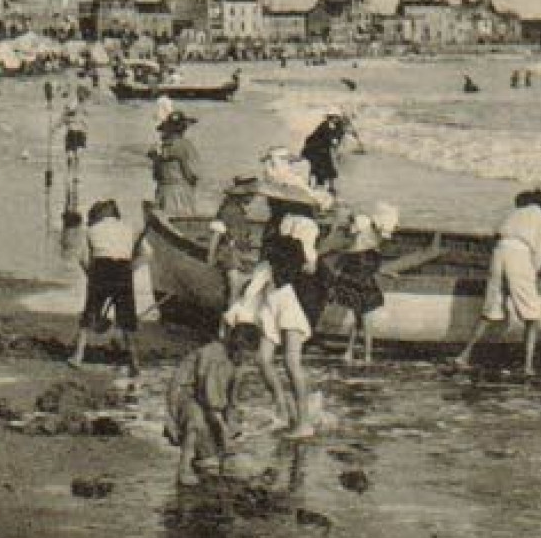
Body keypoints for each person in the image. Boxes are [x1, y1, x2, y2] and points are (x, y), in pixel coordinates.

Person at [454, 188, 541, 377]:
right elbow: (540, 254)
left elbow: (495, 236)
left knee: (490, 311)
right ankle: (527, 366)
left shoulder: (514, 213)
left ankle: (463, 356)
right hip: (519, 256)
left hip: (499, 253)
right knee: (532, 317)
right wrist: (533, 273)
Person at [224, 233, 317, 438]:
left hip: (287, 314)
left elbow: (248, 291)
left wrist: (232, 313)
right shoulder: (276, 271)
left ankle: (304, 423)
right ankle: (284, 409)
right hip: (272, 313)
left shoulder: (269, 272)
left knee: (291, 364)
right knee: (263, 359)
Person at [166, 323, 263, 486]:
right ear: (238, 347)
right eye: (246, 354)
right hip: (186, 396)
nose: (249, 360)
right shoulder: (213, 356)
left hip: (206, 401)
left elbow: (231, 401)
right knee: (195, 421)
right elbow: (209, 399)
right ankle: (183, 468)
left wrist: (233, 426)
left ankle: (205, 454)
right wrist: (223, 431)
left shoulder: (235, 362)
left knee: (209, 460)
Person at [67, 199, 148, 376]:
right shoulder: (129, 228)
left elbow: (83, 258)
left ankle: (78, 355)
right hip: (123, 269)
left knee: (90, 312)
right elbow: (147, 254)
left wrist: (91, 276)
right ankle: (134, 361)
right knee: (127, 318)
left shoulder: (91, 230)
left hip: (101, 267)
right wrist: (130, 269)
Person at [323, 203, 399, 364]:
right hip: (358, 278)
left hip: (359, 277)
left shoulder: (370, 237)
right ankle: (366, 356)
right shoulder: (364, 228)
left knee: (360, 318)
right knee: (364, 320)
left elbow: (372, 265)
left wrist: (386, 273)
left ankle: (351, 352)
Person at [148, 113, 201, 216]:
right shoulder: (185, 145)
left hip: (163, 192)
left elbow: (156, 175)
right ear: (183, 129)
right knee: (183, 221)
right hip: (181, 193)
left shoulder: (159, 147)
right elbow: (192, 176)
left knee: (164, 219)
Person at [299, 110, 348, 193]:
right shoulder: (325, 125)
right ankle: (314, 187)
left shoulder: (338, 127)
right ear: (330, 118)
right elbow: (328, 139)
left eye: (337, 117)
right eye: (334, 117)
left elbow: (336, 139)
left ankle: (330, 188)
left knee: (329, 169)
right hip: (313, 150)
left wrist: (335, 145)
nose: (336, 119)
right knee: (317, 169)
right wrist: (333, 142)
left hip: (323, 150)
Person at [61, 92, 89, 170]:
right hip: (79, 132)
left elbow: (63, 119)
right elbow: (85, 122)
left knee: (71, 154)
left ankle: (70, 174)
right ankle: (75, 175)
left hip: (73, 132)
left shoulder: (74, 107)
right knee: (77, 154)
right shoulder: (81, 108)